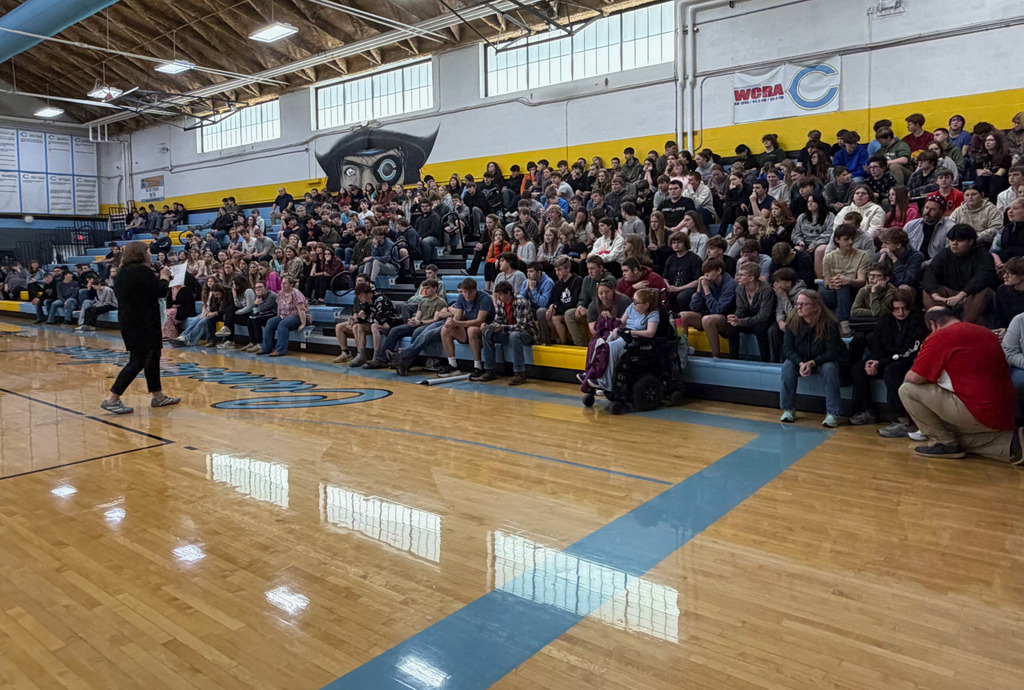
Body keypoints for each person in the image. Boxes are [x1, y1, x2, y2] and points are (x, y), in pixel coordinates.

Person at [899, 307, 1022, 462]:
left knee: (908, 390)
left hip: (978, 411)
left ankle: (944, 444)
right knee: (951, 428)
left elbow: (913, 378)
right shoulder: (985, 332)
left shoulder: (942, 335)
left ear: (933, 325)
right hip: (1006, 412)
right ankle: (1008, 444)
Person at [100, 242, 179, 414]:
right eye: (148, 251)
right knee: (138, 360)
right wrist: (164, 277)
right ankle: (112, 398)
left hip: (132, 321)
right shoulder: (140, 271)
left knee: (153, 357)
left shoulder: (123, 272)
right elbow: (159, 291)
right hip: (142, 323)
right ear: (141, 254)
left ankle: (158, 396)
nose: (150, 254)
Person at [849, 289, 928, 432]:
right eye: (896, 309)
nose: (901, 312)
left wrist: (882, 362)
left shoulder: (918, 320)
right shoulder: (885, 319)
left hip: (908, 361)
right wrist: (872, 360)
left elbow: (911, 351)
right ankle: (867, 411)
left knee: (892, 371)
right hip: (886, 359)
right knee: (859, 368)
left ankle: (901, 417)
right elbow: (877, 343)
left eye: (904, 308)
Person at [779, 289, 845, 428]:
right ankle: (788, 409)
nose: (799, 307)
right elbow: (787, 349)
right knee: (787, 366)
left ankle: (833, 413)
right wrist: (801, 363)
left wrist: (813, 363)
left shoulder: (829, 324)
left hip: (822, 360)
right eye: (798, 304)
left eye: (804, 304)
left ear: (816, 307)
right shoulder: (792, 322)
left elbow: (833, 352)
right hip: (801, 360)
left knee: (830, 368)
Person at [578, 288, 661, 394]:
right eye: (633, 301)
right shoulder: (631, 307)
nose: (633, 304)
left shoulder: (653, 314)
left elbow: (650, 333)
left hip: (635, 339)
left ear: (646, 304)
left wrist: (631, 332)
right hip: (624, 333)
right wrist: (615, 325)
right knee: (599, 342)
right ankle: (590, 373)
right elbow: (621, 322)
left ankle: (606, 383)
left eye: (637, 303)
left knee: (611, 347)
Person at [921, 224, 997, 324]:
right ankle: (942, 325)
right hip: (950, 293)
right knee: (928, 291)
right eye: (952, 240)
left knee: (983, 292)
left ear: (970, 241)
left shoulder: (983, 255)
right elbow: (930, 272)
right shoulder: (945, 254)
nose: (954, 244)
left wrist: (962, 295)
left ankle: (964, 326)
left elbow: (983, 277)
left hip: (970, 294)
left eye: (959, 241)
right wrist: (935, 295)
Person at [366, 278, 449, 370]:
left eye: (428, 288)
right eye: (424, 288)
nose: (425, 290)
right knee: (395, 330)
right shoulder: (422, 301)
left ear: (435, 289)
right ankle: (381, 359)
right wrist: (413, 321)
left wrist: (419, 322)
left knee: (416, 332)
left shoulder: (440, 302)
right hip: (420, 323)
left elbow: (435, 320)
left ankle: (406, 361)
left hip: (428, 325)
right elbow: (418, 316)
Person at [470, 281, 538, 386]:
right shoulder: (501, 303)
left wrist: (502, 327)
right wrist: (489, 326)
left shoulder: (522, 302)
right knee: (487, 333)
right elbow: (497, 321)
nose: (499, 297)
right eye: (497, 295)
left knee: (515, 335)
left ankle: (520, 372)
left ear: (509, 293)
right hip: (509, 332)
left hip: (527, 333)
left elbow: (521, 326)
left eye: (501, 294)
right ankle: (490, 369)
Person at [435, 278, 494, 377]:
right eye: (464, 292)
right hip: (467, 326)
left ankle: (478, 366)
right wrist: (451, 322)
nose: (466, 295)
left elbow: (480, 321)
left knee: (472, 330)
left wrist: (457, 323)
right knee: (445, 330)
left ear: (475, 290)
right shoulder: (461, 297)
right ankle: (452, 365)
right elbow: (457, 316)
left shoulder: (485, 298)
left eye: (469, 293)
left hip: (486, 328)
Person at [679, 257, 737, 356]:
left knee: (708, 320)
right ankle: (682, 351)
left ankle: (715, 356)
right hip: (708, 314)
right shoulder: (707, 282)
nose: (705, 275)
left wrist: (706, 289)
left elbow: (717, 309)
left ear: (719, 270)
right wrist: (699, 288)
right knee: (682, 316)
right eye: (704, 272)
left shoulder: (731, 285)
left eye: (709, 271)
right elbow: (694, 307)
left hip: (727, 318)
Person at [334, 282, 400, 367]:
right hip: (378, 322)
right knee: (359, 326)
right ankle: (361, 354)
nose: (360, 298)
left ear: (369, 293)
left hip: (391, 322)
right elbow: (365, 318)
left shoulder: (380, 299)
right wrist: (355, 320)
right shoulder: (365, 302)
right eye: (358, 296)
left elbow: (380, 319)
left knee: (374, 326)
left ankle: (376, 357)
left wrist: (364, 317)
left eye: (361, 296)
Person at [821, 224, 870, 333]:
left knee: (843, 286)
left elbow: (862, 281)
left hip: (853, 290)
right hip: (832, 292)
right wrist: (830, 284)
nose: (850, 242)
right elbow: (826, 281)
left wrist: (848, 281)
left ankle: (844, 322)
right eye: (846, 239)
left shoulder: (862, 255)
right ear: (837, 240)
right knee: (825, 289)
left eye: (852, 239)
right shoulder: (828, 257)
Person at [722, 262, 775, 361]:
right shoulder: (739, 289)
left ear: (751, 278)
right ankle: (733, 360)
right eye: (738, 274)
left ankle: (765, 361)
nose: (737, 277)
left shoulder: (766, 289)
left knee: (760, 329)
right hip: (749, 318)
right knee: (731, 326)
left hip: (764, 320)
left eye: (741, 275)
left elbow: (763, 316)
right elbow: (741, 309)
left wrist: (741, 321)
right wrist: (735, 317)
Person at [565, 256, 617, 346]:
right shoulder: (587, 279)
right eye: (588, 268)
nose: (590, 271)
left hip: (606, 313)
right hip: (591, 311)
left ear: (601, 268)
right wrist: (580, 307)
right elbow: (583, 298)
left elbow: (607, 303)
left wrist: (589, 312)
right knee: (569, 314)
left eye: (592, 268)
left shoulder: (609, 279)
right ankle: (581, 345)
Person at [258, 276, 310, 357]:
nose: (283, 285)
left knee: (283, 324)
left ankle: (280, 350)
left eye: (285, 283)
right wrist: (277, 318)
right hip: (284, 316)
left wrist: (303, 323)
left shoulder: (296, 293)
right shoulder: (280, 293)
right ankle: (266, 348)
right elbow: (279, 307)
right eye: (282, 283)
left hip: (299, 316)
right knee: (270, 322)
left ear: (291, 284)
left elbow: (301, 309)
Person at [905, 194, 955, 259]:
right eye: (926, 207)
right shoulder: (911, 225)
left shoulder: (950, 228)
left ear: (942, 212)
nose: (927, 212)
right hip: (911, 263)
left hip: (936, 265)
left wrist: (926, 264)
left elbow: (948, 254)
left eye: (933, 209)